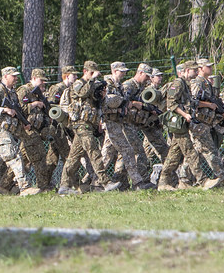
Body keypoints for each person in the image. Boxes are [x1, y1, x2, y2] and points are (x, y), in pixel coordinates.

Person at [0, 67, 41, 196]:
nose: (16, 78)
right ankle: (25, 187)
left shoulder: (12, 92)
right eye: (13, 76)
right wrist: (4, 110)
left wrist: (23, 124)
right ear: (5, 77)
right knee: (15, 156)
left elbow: (18, 111)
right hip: (1, 131)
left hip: (8, 131)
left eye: (16, 76)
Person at [57, 62, 120, 194]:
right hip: (80, 124)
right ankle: (105, 182)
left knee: (73, 157)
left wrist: (101, 96)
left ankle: (64, 186)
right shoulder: (78, 84)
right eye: (91, 73)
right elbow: (81, 93)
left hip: (88, 124)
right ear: (85, 71)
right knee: (94, 151)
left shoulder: (91, 85)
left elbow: (96, 104)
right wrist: (91, 80)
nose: (93, 76)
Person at [102, 62, 155, 190]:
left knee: (116, 153)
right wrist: (121, 109)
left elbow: (123, 102)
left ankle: (131, 182)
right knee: (110, 155)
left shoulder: (118, 85)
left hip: (118, 123)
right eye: (122, 71)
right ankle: (94, 181)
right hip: (110, 123)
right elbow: (103, 105)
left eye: (125, 71)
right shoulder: (107, 85)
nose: (124, 73)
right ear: (114, 70)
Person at [157, 61, 199, 191]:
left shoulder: (186, 85)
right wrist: (185, 114)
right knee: (190, 152)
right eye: (194, 70)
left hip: (183, 124)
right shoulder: (178, 83)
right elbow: (171, 104)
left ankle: (163, 183)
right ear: (186, 70)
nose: (196, 72)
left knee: (173, 156)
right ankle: (203, 180)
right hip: (179, 123)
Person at [189, 58, 224, 190]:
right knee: (210, 151)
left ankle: (183, 179)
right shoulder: (197, 82)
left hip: (206, 122)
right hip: (198, 122)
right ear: (200, 68)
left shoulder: (207, 83)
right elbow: (192, 102)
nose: (210, 69)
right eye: (208, 67)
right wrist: (208, 105)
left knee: (195, 152)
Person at [15, 69, 56, 191]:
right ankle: (43, 186)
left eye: (44, 81)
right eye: (41, 80)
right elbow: (19, 108)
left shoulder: (40, 93)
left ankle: (5, 185)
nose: (43, 83)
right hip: (27, 128)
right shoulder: (24, 91)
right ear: (33, 78)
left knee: (24, 159)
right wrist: (34, 104)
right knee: (39, 157)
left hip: (38, 128)